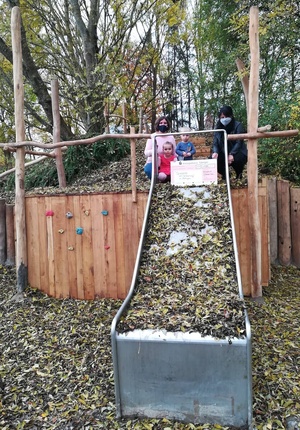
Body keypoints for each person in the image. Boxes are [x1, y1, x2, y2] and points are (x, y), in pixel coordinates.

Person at [212, 105, 248, 180]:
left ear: (231, 116)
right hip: (223, 151)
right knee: (213, 160)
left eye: (226, 117)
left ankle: (239, 175)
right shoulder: (218, 127)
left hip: (237, 151)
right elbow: (215, 142)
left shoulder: (238, 125)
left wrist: (231, 154)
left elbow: (239, 142)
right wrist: (215, 152)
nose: (224, 119)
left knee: (238, 159)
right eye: (222, 117)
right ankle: (226, 176)